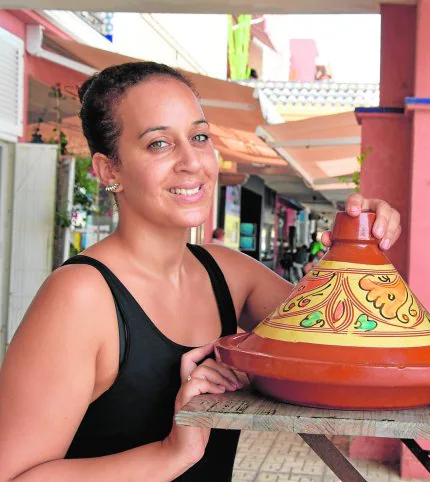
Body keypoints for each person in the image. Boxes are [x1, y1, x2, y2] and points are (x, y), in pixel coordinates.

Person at [0, 61, 403, 481]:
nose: (192, 161)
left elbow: (349, 341)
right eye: (159, 143)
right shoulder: (81, 297)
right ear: (109, 170)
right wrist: (172, 453)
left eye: (199, 137)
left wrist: (357, 243)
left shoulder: (227, 274)